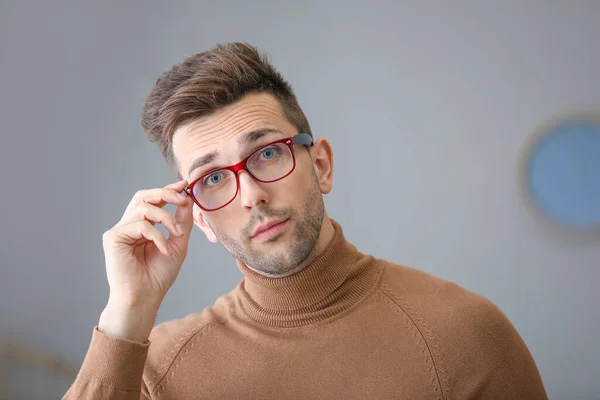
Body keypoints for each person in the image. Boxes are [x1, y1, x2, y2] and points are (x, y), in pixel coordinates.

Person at [64, 43, 548, 399]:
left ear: (321, 165)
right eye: (212, 179)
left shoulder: (464, 334)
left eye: (268, 153)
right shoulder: (154, 371)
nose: (251, 195)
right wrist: (126, 313)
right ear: (202, 221)